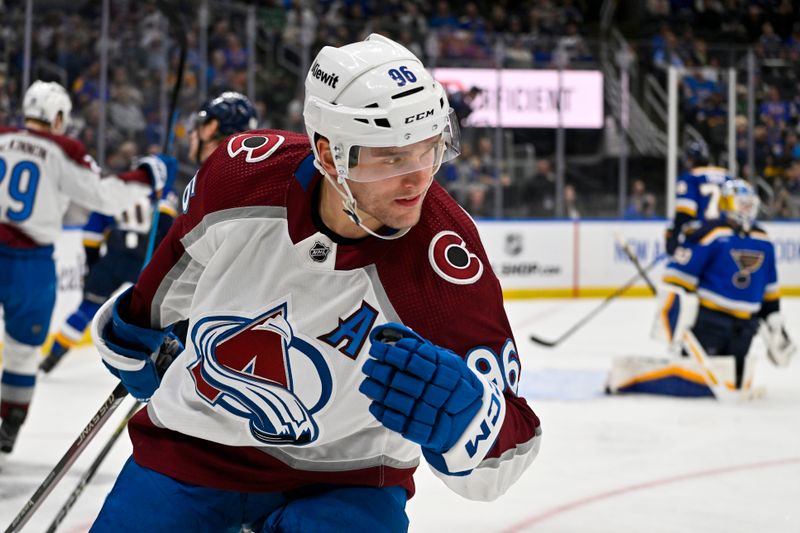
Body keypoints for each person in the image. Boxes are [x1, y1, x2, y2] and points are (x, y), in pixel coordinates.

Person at [90, 34, 541, 532]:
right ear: (329, 156)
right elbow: (168, 285)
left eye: (430, 149)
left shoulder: (444, 258)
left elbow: (511, 445)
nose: (418, 179)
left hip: (347, 480)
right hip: (193, 450)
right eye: (392, 158)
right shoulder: (241, 178)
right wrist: (139, 336)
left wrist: (469, 419)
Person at [0, 80, 173, 457]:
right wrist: (147, 177)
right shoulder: (61, 150)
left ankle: (54, 357)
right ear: (58, 117)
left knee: (82, 308)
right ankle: (10, 422)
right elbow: (103, 195)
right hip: (30, 263)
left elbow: (96, 226)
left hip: (96, 257)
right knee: (21, 349)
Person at [39, 92, 258, 374]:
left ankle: (53, 357)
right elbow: (175, 234)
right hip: (146, 262)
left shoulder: (127, 192)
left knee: (88, 309)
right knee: (160, 316)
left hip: (116, 259)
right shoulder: (174, 195)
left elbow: (94, 229)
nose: (192, 134)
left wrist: (93, 263)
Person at [608, 179, 795, 397]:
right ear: (727, 204)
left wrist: (775, 322)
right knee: (696, 383)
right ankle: (634, 379)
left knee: (733, 380)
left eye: (748, 204)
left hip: (745, 326)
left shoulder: (763, 240)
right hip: (710, 322)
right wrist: (675, 311)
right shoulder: (710, 234)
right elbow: (678, 278)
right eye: (741, 204)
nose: (746, 209)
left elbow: (770, 289)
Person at [664, 140, 733, 255]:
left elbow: (685, 213)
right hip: (728, 237)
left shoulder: (690, 177)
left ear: (691, 159)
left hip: (701, 238)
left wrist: (674, 237)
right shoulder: (727, 177)